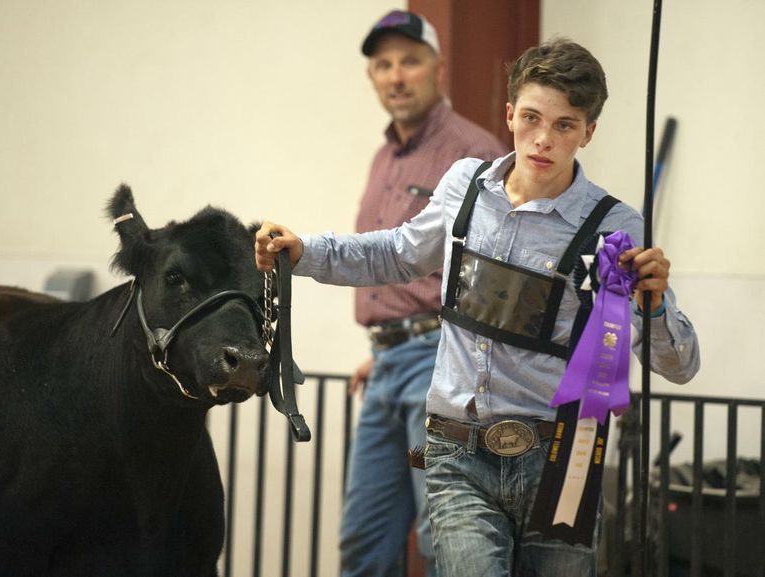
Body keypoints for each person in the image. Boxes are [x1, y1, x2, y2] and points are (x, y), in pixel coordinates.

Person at [256, 38, 699, 577]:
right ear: (509, 114)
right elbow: (397, 253)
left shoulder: (618, 227)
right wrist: (306, 251)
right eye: (532, 117)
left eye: (565, 125)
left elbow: (679, 365)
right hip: (456, 454)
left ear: (589, 131)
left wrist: (653, 308)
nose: (543, 139)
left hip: (562, 464)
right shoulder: (465, 184)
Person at [334, 10, 507, 577]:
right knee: (366, 537)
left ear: (438, 67)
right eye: (383, 65)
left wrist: (430, 342)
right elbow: (402, 264)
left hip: (440, 366)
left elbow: (493, 275)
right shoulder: (383, 157)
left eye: (410, 60)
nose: (396, 75)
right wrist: (386, 344)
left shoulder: (472, 152)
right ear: (372, 78)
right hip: (388, 364)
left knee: (445, 538)